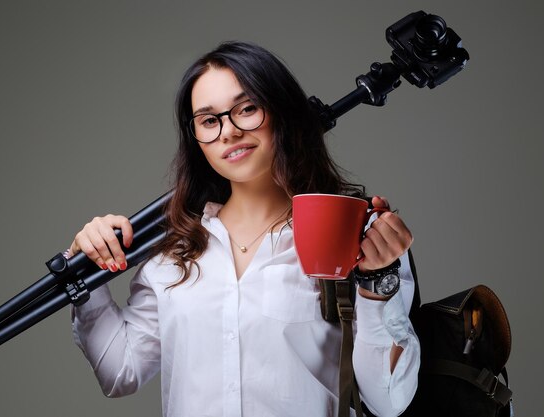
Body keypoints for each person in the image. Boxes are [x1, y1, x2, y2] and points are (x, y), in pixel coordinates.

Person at [68, 41, 420, 417]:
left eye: (247, 109)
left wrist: (377, 284)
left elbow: (389, 401)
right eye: (208, 120)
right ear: (196, 139)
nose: (228, 132)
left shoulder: (351, 233)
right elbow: (121, 371)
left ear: (282, 111)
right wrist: (87, 269)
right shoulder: (175, 250)